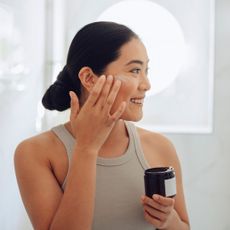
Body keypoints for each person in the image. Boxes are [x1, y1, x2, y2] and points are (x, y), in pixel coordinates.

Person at [14, 21, 190, 230]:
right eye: (135, 70)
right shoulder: (35, 153)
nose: (146, 84)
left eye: (146, 70)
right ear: (89, 78)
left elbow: (184, 227)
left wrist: (169, 221)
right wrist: (86, 149)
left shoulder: (160, 147)